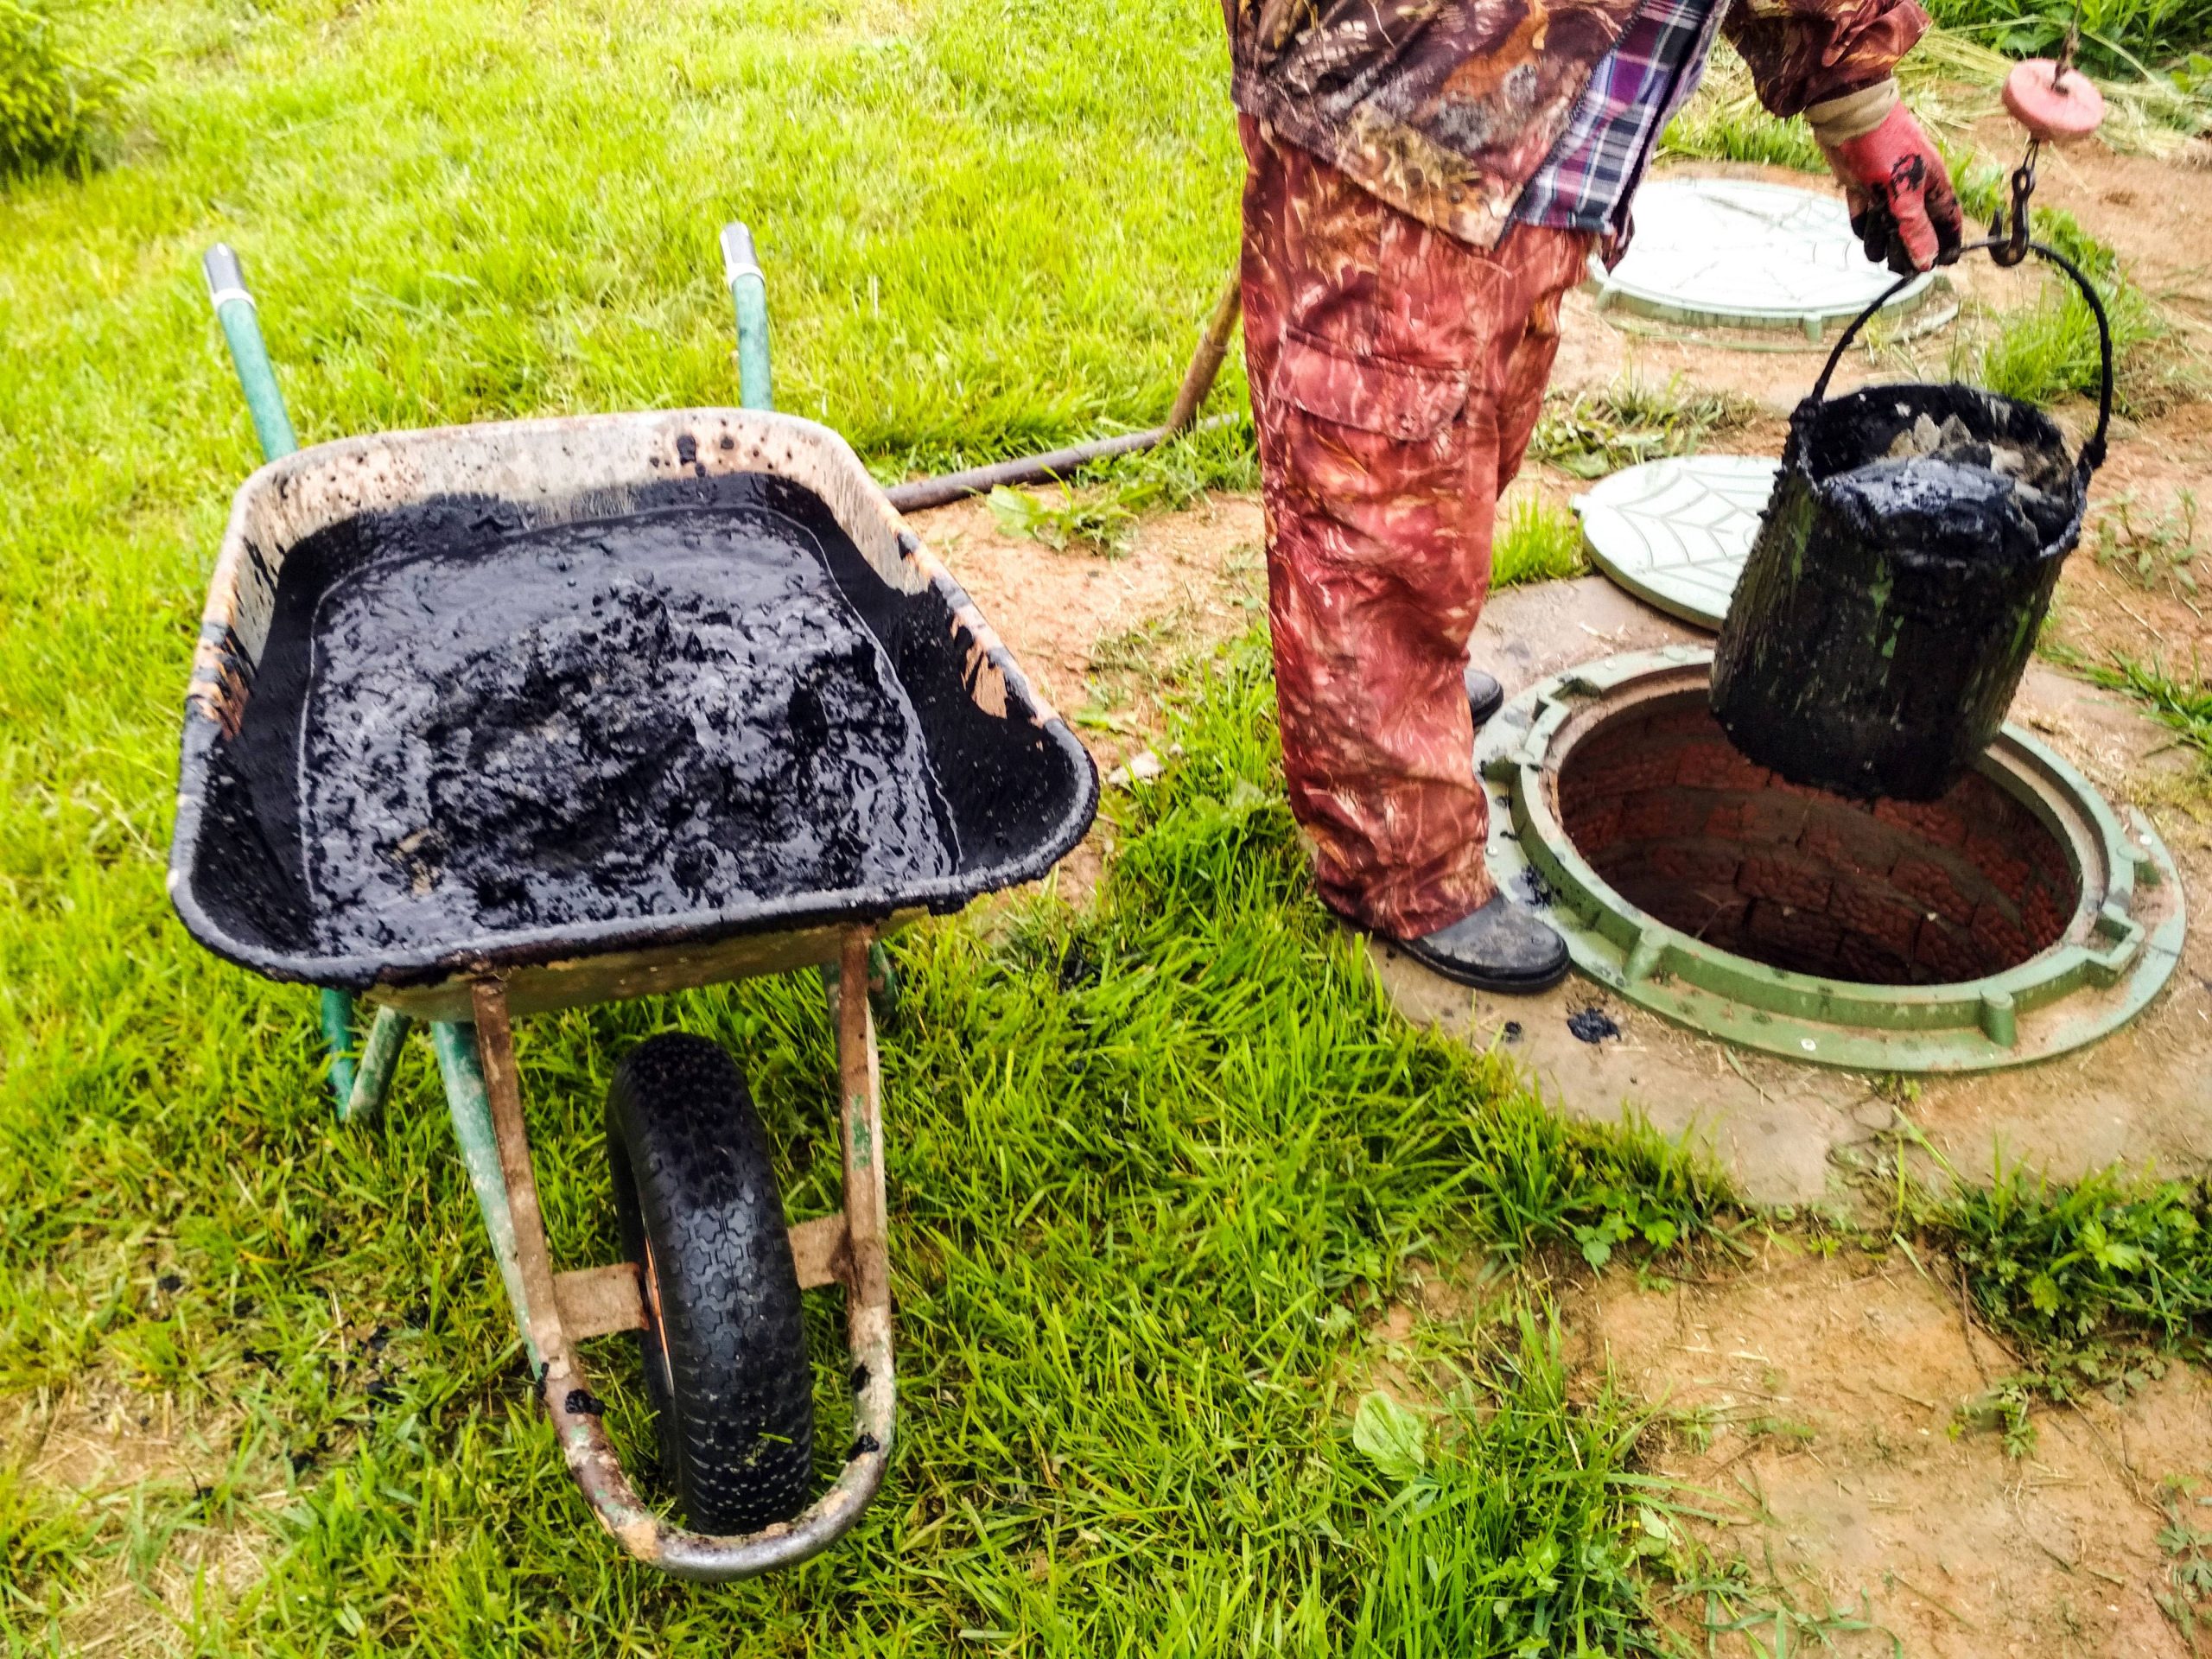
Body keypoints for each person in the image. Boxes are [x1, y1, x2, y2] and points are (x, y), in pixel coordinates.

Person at [1227, 0, 1963, 990]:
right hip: (1404, 107)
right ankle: (1397, 861)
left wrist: (1854, 90)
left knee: (1462, 442)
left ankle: (1408, 698)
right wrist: (1852, 83)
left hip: (1532, 148)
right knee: (1380, 503)